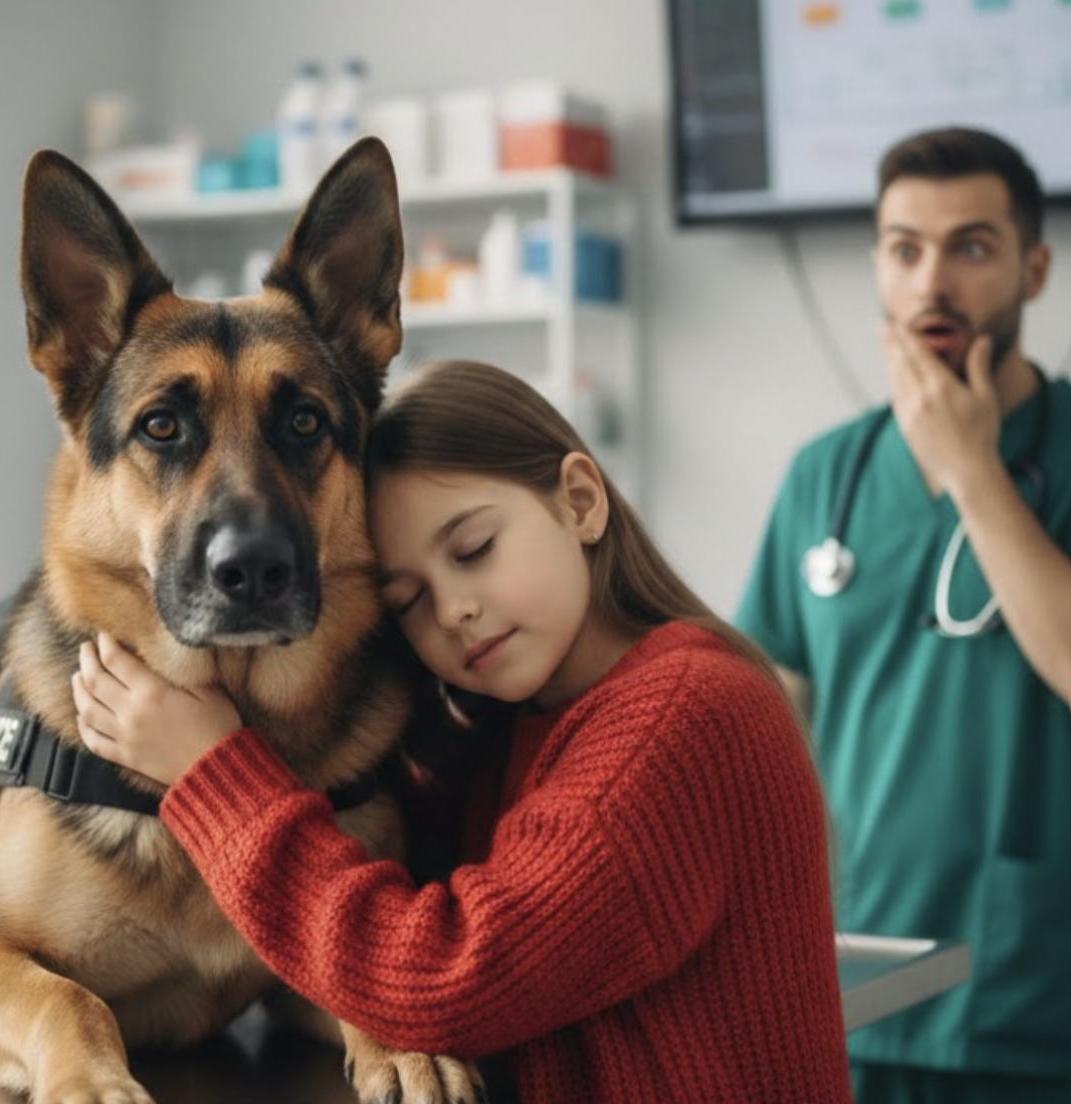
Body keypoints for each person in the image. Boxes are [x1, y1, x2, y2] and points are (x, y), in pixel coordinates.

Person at [71, 359, 853, 1103]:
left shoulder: (684, 714)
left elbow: (450, 978)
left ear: (580, 501)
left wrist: (212, 771)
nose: (453, 611)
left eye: (474, 549)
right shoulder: (518, 720)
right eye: (408, 599)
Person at [736, 126, 1071, 1104]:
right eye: (902, 249)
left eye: (969, 247)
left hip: (1027, 1005)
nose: (932, 282)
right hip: (842, 989)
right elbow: (760, 721)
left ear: (1031, 270)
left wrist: (972, 471)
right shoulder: (823, 476)